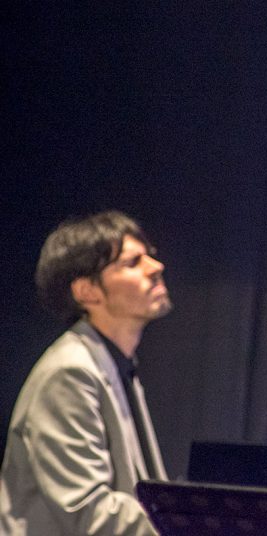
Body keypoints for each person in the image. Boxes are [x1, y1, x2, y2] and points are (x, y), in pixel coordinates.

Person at [0, 210, 171, 535]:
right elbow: (86, 510)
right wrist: (185, 524)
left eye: (150, 256)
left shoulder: (113, 365)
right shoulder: (69, 372)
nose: (156, 267)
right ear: (87, 292)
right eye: (133, 262)